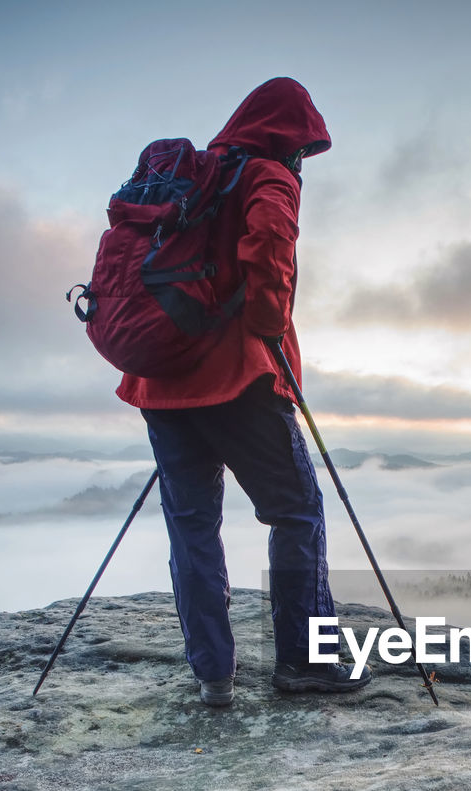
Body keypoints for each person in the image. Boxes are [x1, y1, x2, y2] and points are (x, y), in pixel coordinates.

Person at [116, 78, 370, 706]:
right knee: (296, 512)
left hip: (161, 381)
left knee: (192, 526)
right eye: (304, 148)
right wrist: (266, 329)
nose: (304, 160)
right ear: (292, 133)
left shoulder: (196, 179)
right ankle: (307, 664)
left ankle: (212, 676)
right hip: (238, 377)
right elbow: (272, 249)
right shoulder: (266, 174)